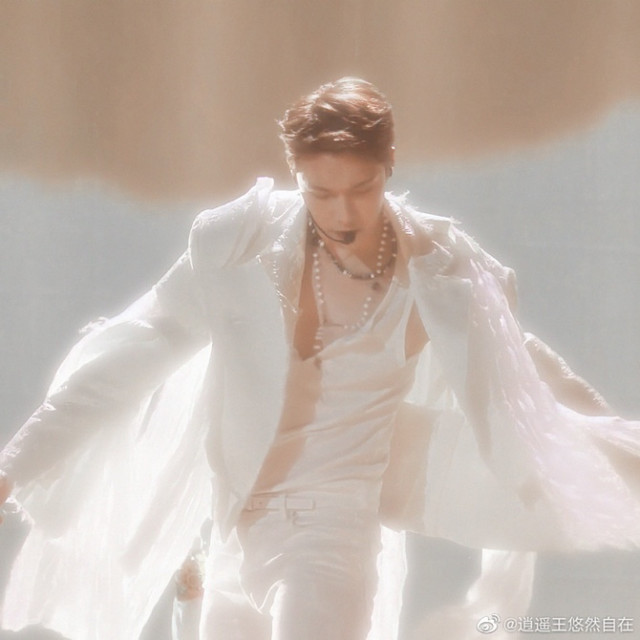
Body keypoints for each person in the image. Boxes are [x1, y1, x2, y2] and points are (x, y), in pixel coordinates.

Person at [1, 77, 639, 640]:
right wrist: (13, 467)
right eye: (320, 191)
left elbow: (525, 369)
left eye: (362, 188)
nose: (342, 212)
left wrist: (618, 443)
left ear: (389, 165)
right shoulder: (235, 245)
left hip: (335, 531)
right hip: (238, 529)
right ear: (296, 174)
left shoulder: (438, 269)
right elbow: (133, 355)